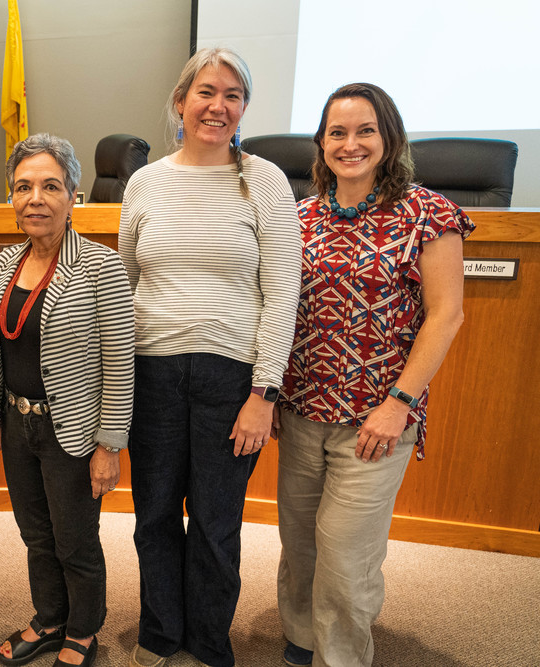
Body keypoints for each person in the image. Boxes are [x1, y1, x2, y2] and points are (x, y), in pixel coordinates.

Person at [275, 83, 473, 667]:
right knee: (302, 544)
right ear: (321, 143)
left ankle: (340, 658)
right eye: (337, 132)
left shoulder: (427, 213)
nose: (351, 143)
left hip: (377, 417)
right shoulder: (298, 215)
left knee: (345, 555)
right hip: (301, 409)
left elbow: (447, 315)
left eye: (365, 131)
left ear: (388, 139)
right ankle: (301, 642)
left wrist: (399, 403)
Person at [118, 48, 302, 667]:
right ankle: (161, 634)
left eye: (232, 95)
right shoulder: (144, 182)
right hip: (154, 374)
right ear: (180, 100)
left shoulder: (268, 180)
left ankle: (208, 645)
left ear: (243, 107)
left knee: (217, 525)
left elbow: (282, 295)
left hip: (232, 381)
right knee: (156, 515)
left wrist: (264, 394)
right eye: (205, 92)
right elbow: (131, 279)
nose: (217, 106)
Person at [0, 134, 135, 667]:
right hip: (19, 426)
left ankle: (84, 629)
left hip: (72, 430)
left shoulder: (101, 266)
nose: (35, 199)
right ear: (11, 197)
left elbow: (119, 364)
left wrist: (110, 446)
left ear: (74, 196)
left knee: (74, 539)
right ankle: (49, 619)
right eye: (23, 187)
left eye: (50, 186)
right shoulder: (4, 264)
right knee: (35, 534)